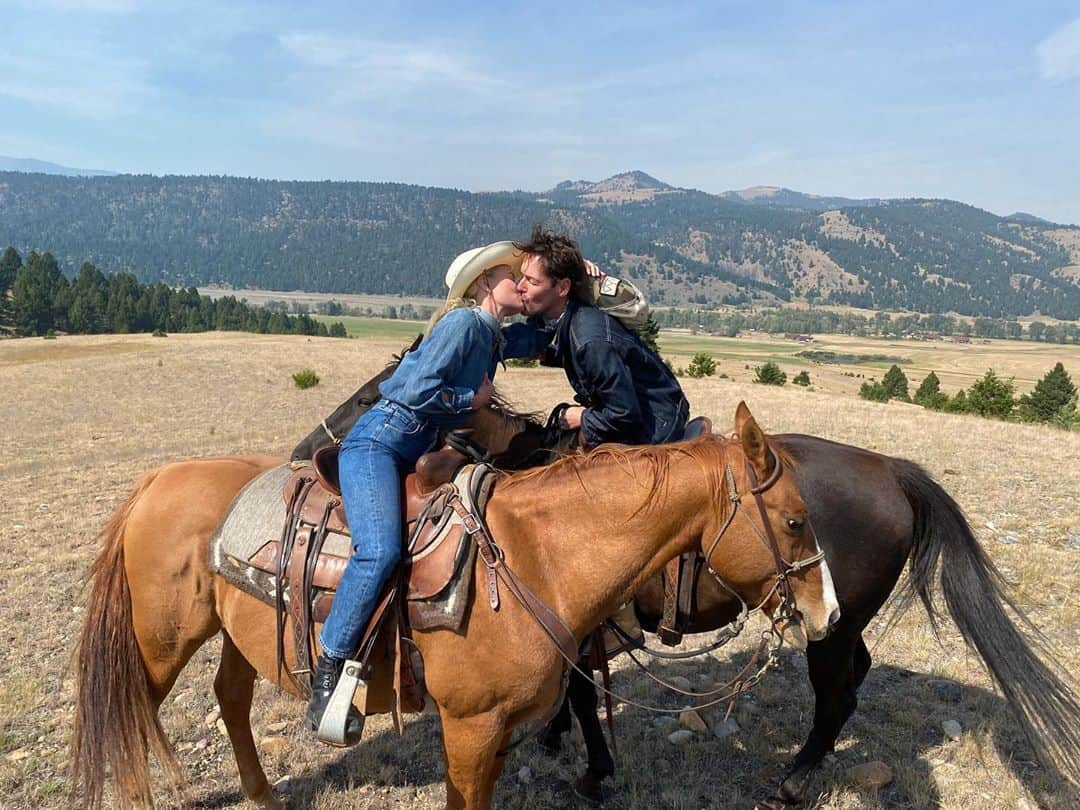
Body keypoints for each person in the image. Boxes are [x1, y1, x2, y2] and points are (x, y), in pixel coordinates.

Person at [307, 241, 541, 743]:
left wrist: (587, 286)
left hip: (410, 445)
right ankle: (329, 669)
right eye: (510, 275)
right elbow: (411, 390)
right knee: (379, 551)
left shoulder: (493, 335)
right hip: (380, 441)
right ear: (484, 284)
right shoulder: (465, 325)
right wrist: (469, 397)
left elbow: (543, 335)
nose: (520, 283)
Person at [514, 225, 689, 448]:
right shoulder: (565, 318)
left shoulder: (589, 340)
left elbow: (624, 413)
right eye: (522, 277)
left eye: (532, 281)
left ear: (562, 288)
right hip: (636, 412)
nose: (520, 286)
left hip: (656, 422)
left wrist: (582, 417)